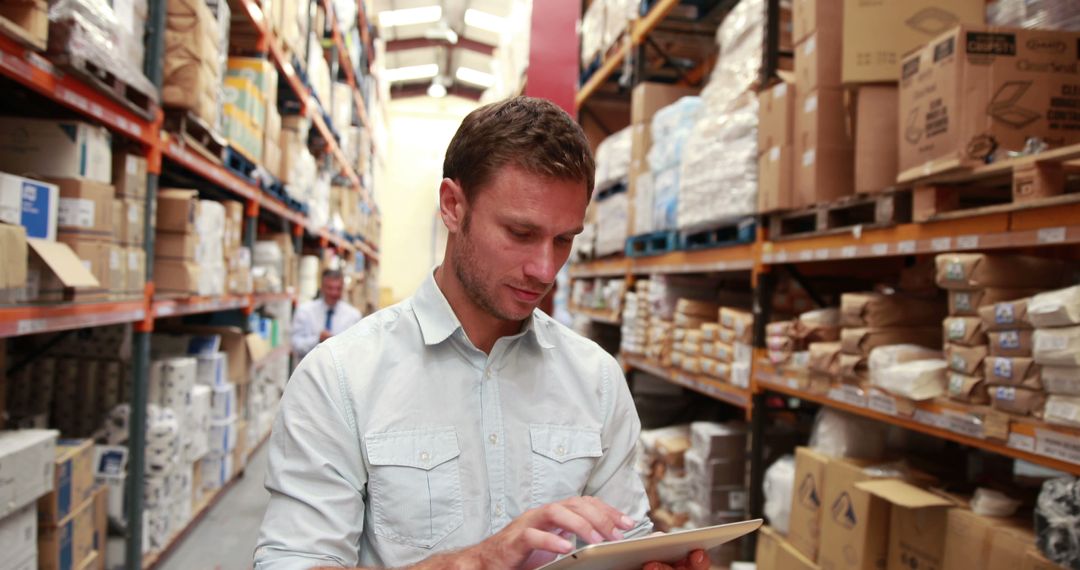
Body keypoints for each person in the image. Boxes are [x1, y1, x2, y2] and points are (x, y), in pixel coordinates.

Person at [255, 97, 709, 570]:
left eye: (563, 240)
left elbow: (621, 539)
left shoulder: (596, 379)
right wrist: (474, 562)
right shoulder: (339, 380)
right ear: (453, 206)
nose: (544, 268)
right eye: (520, 233)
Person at [291, 269, 363, 357]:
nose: (334, 293)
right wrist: (317, 339)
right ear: (322, 287)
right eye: (330, 288)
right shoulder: (304, 311)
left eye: (338, 288)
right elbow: (296, 345)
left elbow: (356, 350)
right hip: (310, 368)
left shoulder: (353, 316)